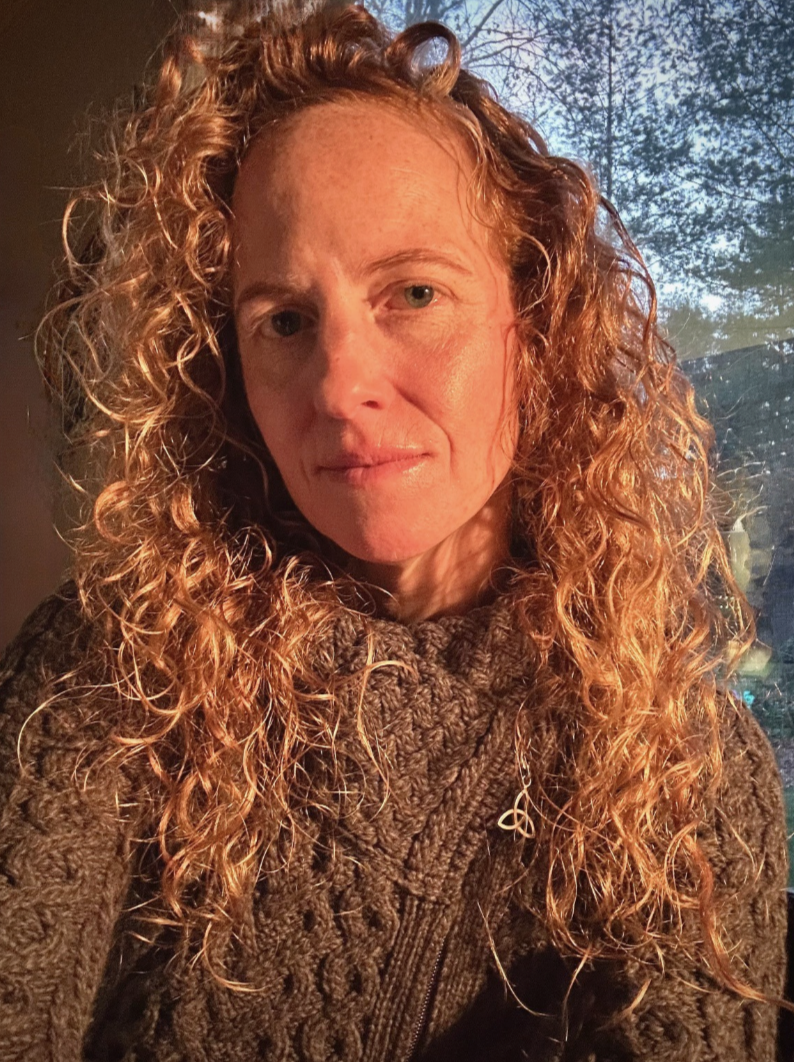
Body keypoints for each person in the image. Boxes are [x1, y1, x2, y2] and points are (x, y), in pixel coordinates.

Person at [0, 3, 788, 1059]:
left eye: (412, 293)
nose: (338, 387)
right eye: (282, 320)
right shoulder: (110, 676)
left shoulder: (679, 762)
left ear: (536, 324)